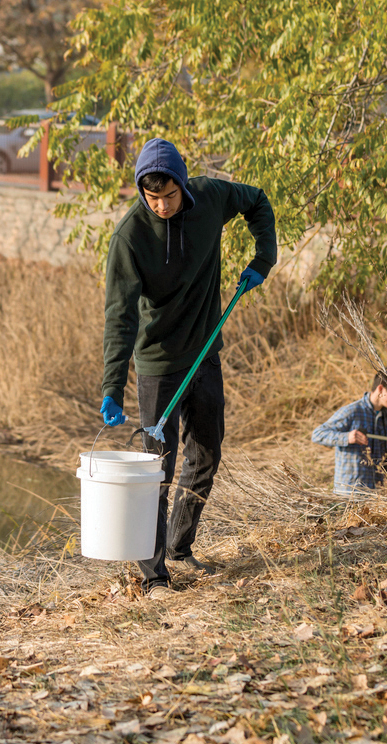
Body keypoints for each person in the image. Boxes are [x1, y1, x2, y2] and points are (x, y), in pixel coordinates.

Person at [98, 138, 277, 597]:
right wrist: (112, 386)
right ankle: (154, 575)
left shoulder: (211, 197)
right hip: (159, 364)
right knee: (157, 470)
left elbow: (257, 201)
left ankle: (179, 546)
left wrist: (264, 258)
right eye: (150, 197)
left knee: (207, 454)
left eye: (169, 195)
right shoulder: (129, 237)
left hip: (205, 351)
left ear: (183, 184)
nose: (160, 205)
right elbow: (120, 316)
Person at [311, 370, 387, 496]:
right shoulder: (352, 411)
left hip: (376, 495)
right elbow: (318, 434)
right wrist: (346, 437)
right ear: (381, 389)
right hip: (349, 494)